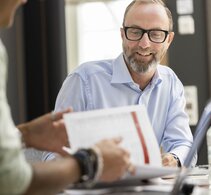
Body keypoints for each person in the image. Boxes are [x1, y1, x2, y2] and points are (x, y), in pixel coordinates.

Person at [0, 0, 132, 194]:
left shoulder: (171, 82)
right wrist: (90, 162)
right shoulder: (83, 77)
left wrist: (25, 135)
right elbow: (10, 180)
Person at [54, 0, 197, 167]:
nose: (144, 44)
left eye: (156, 34)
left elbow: (184, 144)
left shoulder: (170, 82)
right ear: (122, 34)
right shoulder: (84, 80)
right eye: (135, 32)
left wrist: (174, 159)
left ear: (169, 40)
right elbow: (53, 152)